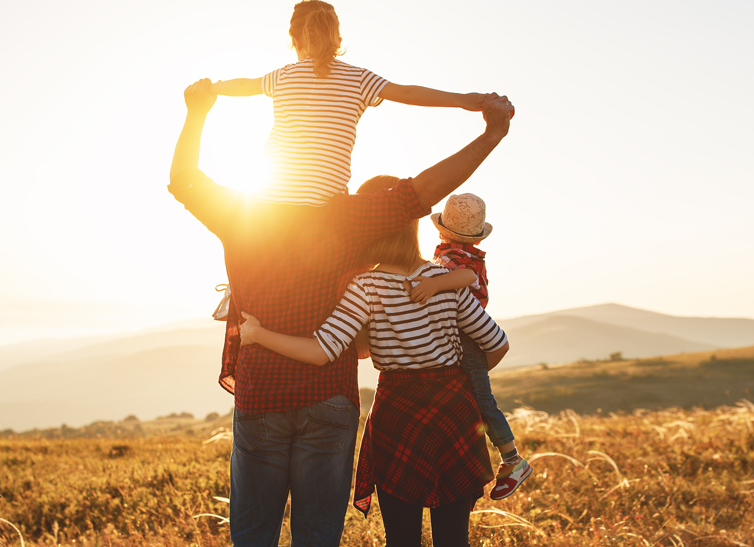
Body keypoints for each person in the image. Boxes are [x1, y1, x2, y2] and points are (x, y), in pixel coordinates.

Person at [168, 78, 513, 547]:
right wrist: (491, 134)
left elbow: (184, 179)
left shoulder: (241, 212)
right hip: (337, 398)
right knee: (319, 537)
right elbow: (425, 191)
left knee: (252, 535)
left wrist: (197, 111)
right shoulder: (351, 220)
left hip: (264, 393)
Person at [237, 176, 510, 546]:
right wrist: (455, 380)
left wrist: (257, 334)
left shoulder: (365, 286)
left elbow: (324, 351)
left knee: (400, 538)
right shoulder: (447, 279)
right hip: (454, 412)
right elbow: (497, 344)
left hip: (398, 414)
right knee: (453, 538)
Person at [211, 0, 492, 206]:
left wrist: (211, 88)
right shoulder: (359, 78)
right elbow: (407, 94)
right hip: (325, 202)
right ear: (338, 40)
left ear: (294, 41)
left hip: (268, 199)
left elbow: (244, 85)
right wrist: (463, 100)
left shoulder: (283, 76)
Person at [405, 192, 532, 499]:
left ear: (441, 229)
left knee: (481, 400)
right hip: (461, 336)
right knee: (468, 398)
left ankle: (512, 459)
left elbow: (465, 277)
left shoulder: (458, 259)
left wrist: (434, 284)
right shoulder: (456, 253)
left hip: (466, 336)